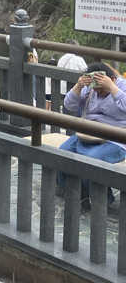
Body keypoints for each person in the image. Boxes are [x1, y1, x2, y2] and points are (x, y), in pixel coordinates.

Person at [60, 63, 126, 209]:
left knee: (90, 161)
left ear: (113, 79)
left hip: (117, 138)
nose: (98, 92)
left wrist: (112, 88)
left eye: (101, 89)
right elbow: (69, 106)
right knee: (62, 153)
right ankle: (76, 193)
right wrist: (78, 86)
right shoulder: (91, 87)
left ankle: (102, 199)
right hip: (88, 133)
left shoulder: (122, 86)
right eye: (96, 89)